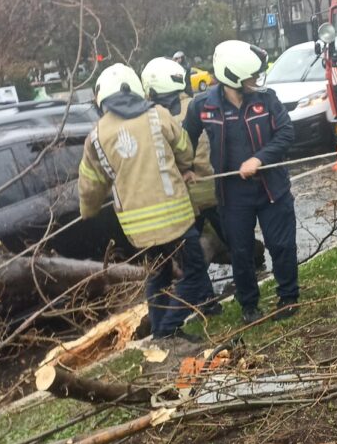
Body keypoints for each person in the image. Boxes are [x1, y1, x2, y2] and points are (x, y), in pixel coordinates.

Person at [77, 63, 206, 338]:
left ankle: (161, 332)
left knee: (157, 277)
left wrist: (87, 211)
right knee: (194, 275)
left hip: (139, 229)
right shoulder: (157, 115)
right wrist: (185, 167)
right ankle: (170, 327)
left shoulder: (97, 136)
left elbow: (90, 185)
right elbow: (185, 149)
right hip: (177, 219)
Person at [183, 40, 299, 325]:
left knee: (281, 245)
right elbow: (185, 138)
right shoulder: (203, 106)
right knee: (242, 251)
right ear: (233, 77)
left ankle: (289, 296)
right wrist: (185, 167)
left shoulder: (267, 99)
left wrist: (259, 159)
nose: (256, 80)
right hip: (232, 195)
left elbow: (286, 134)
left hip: (272, 188)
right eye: (251, 76)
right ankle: (249, 304)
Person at [140, 56, 222, 316]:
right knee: (233, 237)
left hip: (185, 196)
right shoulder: (197, 104)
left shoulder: (155, 118)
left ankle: (206, 302)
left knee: (191, 255)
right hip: (212, 187)